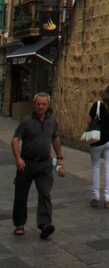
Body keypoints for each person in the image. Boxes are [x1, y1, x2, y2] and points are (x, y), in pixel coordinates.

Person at [11, 91, 63, 239]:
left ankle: (45, 224)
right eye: (38, 104)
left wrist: (59, 158)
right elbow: (15, 140)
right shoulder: (26, 121)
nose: (40, 106)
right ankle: (19, 224)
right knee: (21, 194)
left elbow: (56, 139)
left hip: (44, 164)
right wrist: (18, 159)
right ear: (34, 105)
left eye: (43, 104)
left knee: (45, 192)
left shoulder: (52, 121)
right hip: (26, 163)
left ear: (48, 105)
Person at [88, 82, 109, 209]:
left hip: (97, 140)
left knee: (95, 167)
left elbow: (89, 120)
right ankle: (107, 199)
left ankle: (95, 197)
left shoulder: (97, 105)